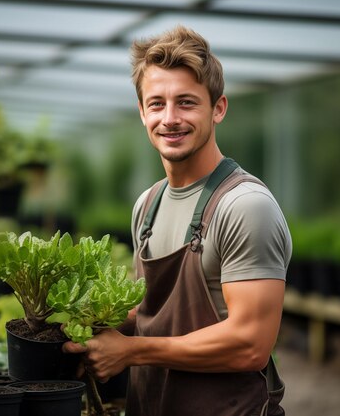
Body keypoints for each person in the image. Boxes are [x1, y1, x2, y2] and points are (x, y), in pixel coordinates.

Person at [64, 25, 292, 416]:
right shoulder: (147, 204)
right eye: (156, 104)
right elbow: (151, 309)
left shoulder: (244, 206)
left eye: (186, 103)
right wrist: (86, 325)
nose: (170, 119)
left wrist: (132, 352)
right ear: (141, 112)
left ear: (218, 108)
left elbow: (251, 343)